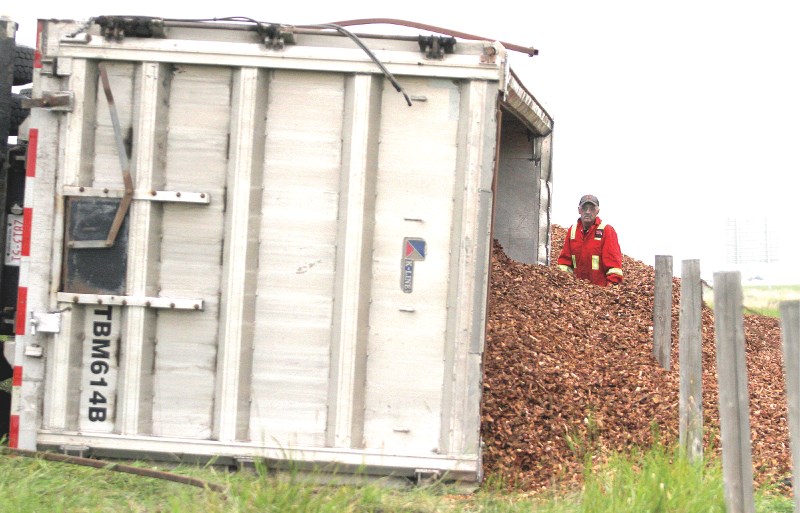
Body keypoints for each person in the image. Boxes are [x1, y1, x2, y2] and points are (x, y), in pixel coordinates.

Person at [557, 194, 623, 286]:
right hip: (575, 292)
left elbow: (613, 266)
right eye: (584, 208)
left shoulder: (606, 231)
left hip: (599, 292)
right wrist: (563, 283)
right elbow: (565, 263)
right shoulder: (572, 231)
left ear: (597, 211)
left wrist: (609, 290)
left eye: (591, 208)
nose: (587, 212)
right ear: (579, 210)